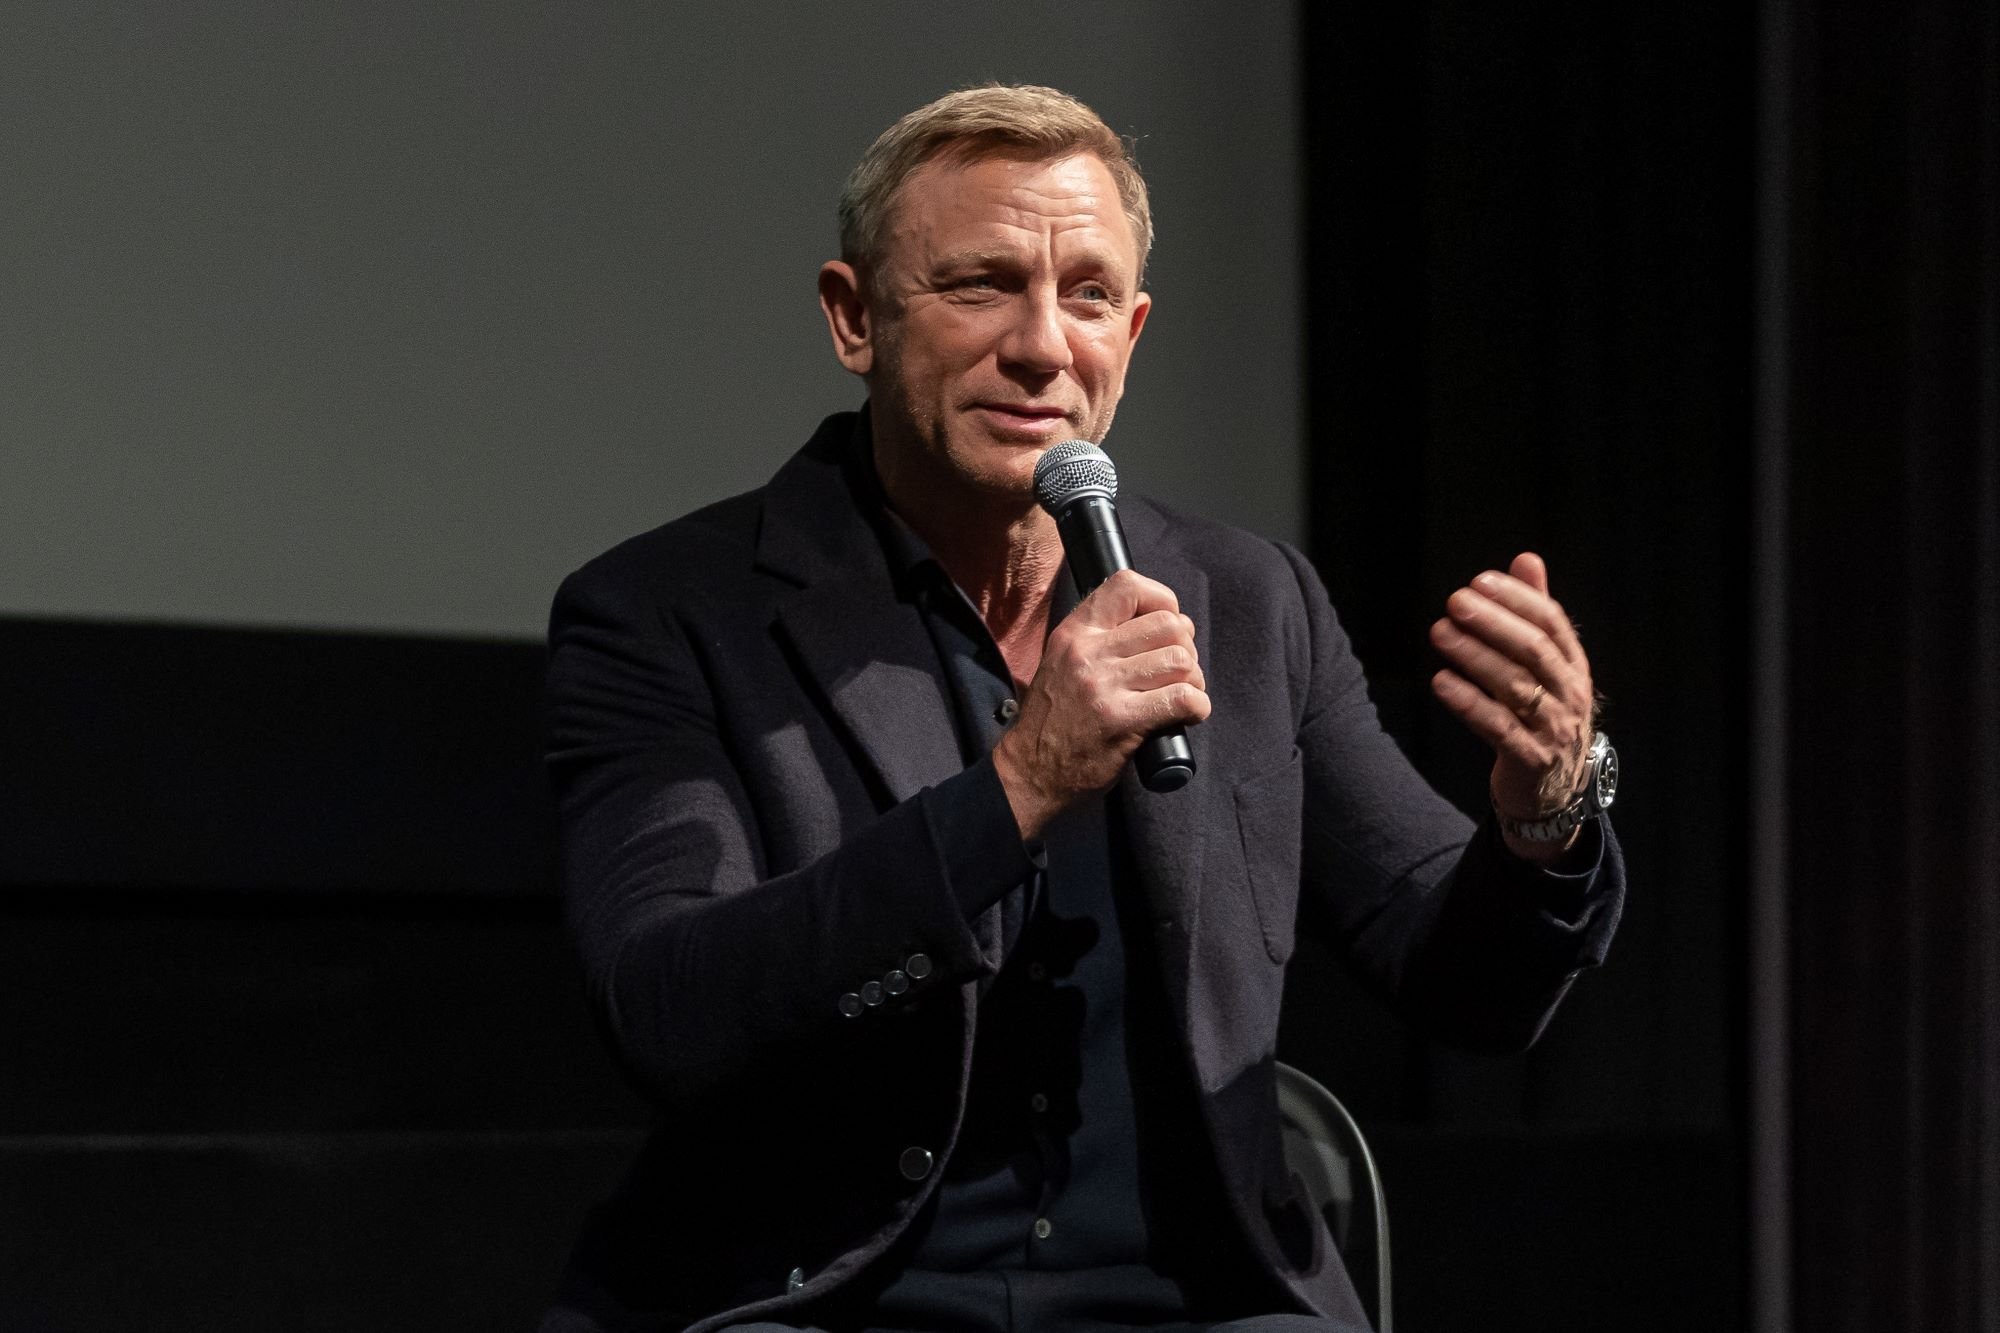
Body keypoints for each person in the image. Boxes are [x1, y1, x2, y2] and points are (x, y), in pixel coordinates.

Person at [540, 84, 1624, 1333]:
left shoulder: (1246, 599)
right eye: (981, 284)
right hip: (832, 1302)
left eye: (1088, 295)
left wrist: (1550, 811)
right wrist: (1018, 788)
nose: (1044, 345)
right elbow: (669, 1006)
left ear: (1133, 328)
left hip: (1195, 1307)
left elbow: (1462, 984)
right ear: (853, 319)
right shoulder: (668, 612)